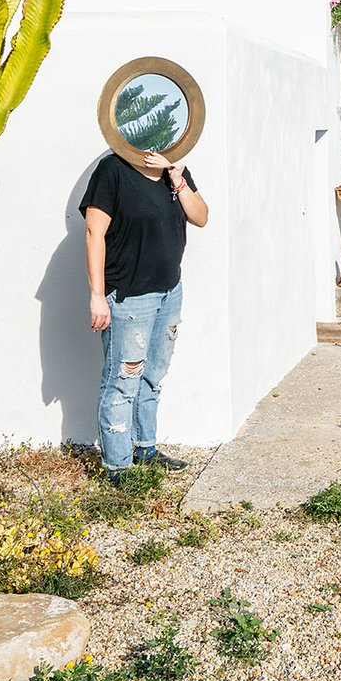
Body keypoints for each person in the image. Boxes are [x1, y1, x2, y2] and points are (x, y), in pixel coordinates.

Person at [80, 146, 209, 480]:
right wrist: (97, 296)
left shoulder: (173, 170)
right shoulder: (113, 170)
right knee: (122, 382)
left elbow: (201, 217)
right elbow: (94, 232)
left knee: (152, 376)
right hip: (128, 297)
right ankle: (118, 467)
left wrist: (178, 179)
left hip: (169, 291)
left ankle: (145, 448)